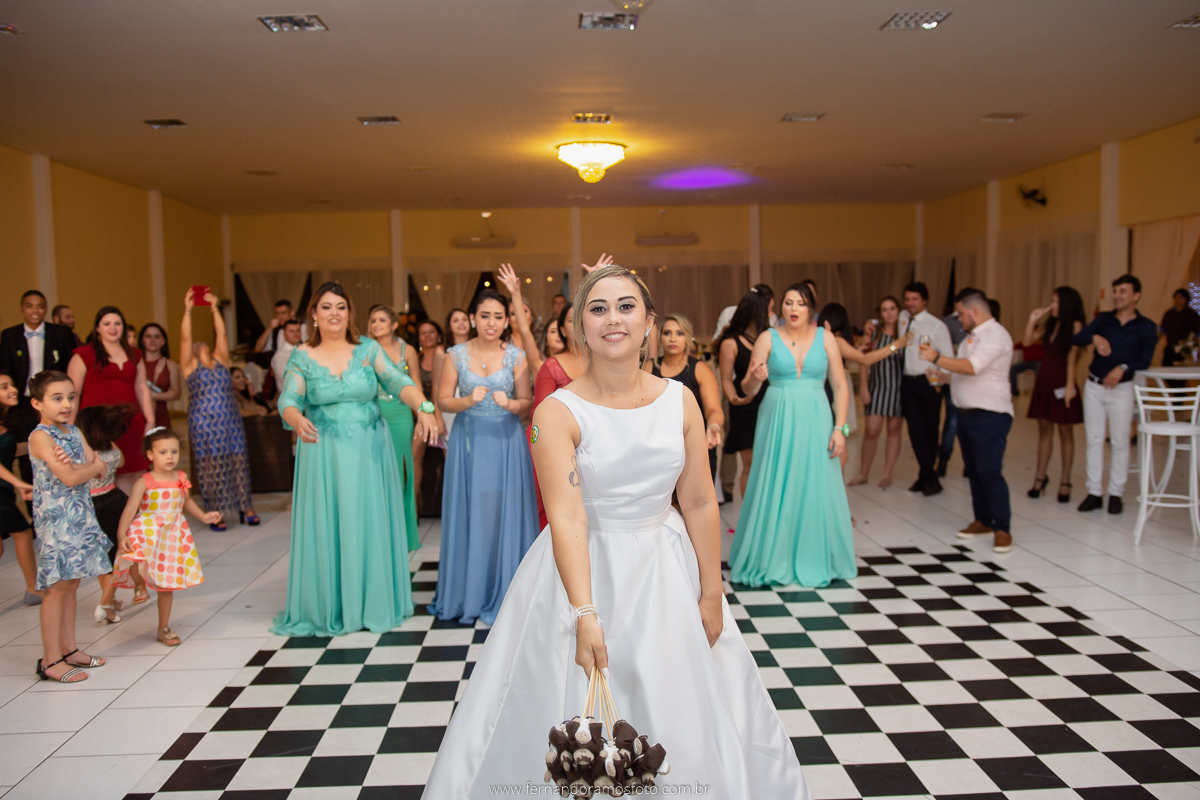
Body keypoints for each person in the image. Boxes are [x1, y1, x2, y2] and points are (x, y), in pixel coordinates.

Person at [423, 264, 812, 799]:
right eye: (598, 308)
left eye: (627, 306)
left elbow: (698, 500)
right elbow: (567, 516)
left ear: (649, 322)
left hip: (664, 565)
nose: (613, 319)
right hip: (584, 565)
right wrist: (584, 613)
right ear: (580, 325)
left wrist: (712, 589)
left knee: (680, 696)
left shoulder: (681, 401)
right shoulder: (557, 411)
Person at [274, 281, 437, 636]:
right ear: (314, 315)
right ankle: (330, 605)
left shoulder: (367, 349)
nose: (334, 313)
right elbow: (288, 397)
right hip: (324, 453)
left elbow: (398, 381)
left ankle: (373, 600)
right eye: (327, 307)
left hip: (368, 452)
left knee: (366, 521)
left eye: (341, 307)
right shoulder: (302, 355)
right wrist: (295, 417)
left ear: (349, 313)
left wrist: (423, 406)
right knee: (330, 523)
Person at [732, 283, 855, 588]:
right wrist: (754, 379)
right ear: (780, 308)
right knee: (774, 480)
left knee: (815, 482)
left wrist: (840, 429)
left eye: (800, 303)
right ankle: (771, 556)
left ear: (810, 307)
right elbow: (747, 388)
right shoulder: (767, 338)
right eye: (788, 303)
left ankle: (816, 555)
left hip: (817, 415)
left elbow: (840, 386)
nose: (793, 309)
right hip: (777, 416)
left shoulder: (826, 339)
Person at [431, 288, 538, 625]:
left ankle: (509, 591)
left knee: (505, 512)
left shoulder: (516, 356)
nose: (491, 323)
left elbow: (528, 401)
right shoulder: (456, 355)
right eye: (485, 316)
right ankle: (470, 592)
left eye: (498, 317)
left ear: (506, 321)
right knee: (473, 512)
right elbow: (443, 399)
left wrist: (513, 405)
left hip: (506, 441)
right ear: (473, 318)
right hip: (470, 440)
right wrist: (466, 402)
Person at [27, 371, 111, 683]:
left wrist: (85, 467)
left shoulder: (73, 432)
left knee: (72, 582)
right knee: (56, 587)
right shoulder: (41, 437)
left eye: (71, 397)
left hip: (78, 516)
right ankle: (51, 660)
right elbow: (73, 476)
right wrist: (86, 467)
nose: (66, 404)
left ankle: (69, 648)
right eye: (57, 398)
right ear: (37, 402)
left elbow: (100, 469)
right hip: (56, 520)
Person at [920, 289, 1016, 553]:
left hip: (990, 414)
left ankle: (1002, 527)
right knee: (974, 471)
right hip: (967, 413)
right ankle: (983, 519)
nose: (959, 320)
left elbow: (973, 367)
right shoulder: (970, 339)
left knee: (989, 471)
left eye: (961, 314)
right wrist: (944, 378)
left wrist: (937, 358)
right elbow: (963, 372)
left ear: (974, 311)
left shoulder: (995, 335)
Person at [116, 427, 220, 646]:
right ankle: (139, 584)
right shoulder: (145, 481)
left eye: (174, 451)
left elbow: (186, 501)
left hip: (171, 535)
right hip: (146, 527)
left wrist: (203, 516)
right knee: (133, 554)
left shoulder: (181, 477)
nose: (170, 456)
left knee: (166, 585)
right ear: (150, 455)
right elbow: (130, 508)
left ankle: (163, 628)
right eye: (163, 452)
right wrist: (121, 533)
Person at [1074, 274, 1159, 514]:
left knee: (1120, 441)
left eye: (1122, 291)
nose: (1117, 295)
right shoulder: (1103, 320)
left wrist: (1122, 368)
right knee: (1094, 440)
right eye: (1115, 291)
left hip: (1122, 389)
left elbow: (1145, 359)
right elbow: (1078, 338)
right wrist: (1095, 336)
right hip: (1094, 386)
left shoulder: (1146, 327)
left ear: (1136, 296)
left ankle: (1116, 494)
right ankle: (1094, 492)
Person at [179, 289, 259, 529]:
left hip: (230, 420)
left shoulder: (221, 361)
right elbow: (185, 338)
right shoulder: (189, 366)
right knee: (210, 466)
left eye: (203, 342)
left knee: (238, 461)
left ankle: (247, 507)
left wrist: (214, 308)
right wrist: (188, 310)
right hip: (203, 422)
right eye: (196, 343)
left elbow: (221, 333)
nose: (199, 342)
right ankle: (215, 511)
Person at [67, 306, 155, 493]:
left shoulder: (134, 354)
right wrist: (70, 425)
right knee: (101, 473)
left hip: (131, 422)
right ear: (97, 328)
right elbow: (73, 392)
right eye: (107, 324)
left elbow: (142, 388)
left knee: (134, 471)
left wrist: (150, 419)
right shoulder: (84, 354)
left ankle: (129, 518)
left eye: (117, 323)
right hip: (97, 425)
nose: (113, 327)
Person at [0, 290, 77, 483]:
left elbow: (70, 367)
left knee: (60, 447)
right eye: (29, 305)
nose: (35, 310)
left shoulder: (60, 333)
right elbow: (6, 370)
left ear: (45, 309)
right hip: (24, 404)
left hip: (55, 402)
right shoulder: (9, 335)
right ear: (21, 308)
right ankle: (31, 497)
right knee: (27, 453)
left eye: (40, 306)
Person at [78, 404, 143, 624]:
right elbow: (122, 461)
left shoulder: (84, 454)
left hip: (92, 505)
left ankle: (110, 600)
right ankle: (106, 604)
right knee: (117, 554)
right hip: (114, 501)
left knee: (102, 557)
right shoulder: (111, 449)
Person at [1024, 287, 1087, 503]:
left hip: (1062, 380)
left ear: (1068, 304)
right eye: (1052, 301)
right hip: (1045, 379)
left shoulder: (1076, 325)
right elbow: (1027, 342)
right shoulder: (1050, 323)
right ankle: (1040, 477)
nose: (1053, 306)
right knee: (1044, 430)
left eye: (1057, 302)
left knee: (1066, 432)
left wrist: (1070, 385)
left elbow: (1073, 357)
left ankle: (1065, 479)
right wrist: (1032, 320)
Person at [368, 304, 423, 552]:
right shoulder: (365, 351)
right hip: (374, 415)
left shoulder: (407, 350)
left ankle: (403, 534)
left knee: (403, 473)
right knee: (376, 472)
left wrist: (423, 414)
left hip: (401, 414)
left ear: (393, 325)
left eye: (381, 320)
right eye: (372, 321)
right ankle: (379, 532)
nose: (375, 324)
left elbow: (416, 385)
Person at [531, 303, 588, 528]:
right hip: (560, 446)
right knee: (561, 509)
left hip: (599, 443)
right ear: (562, 330)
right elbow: (540, 414)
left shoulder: (603, 362)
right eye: (571, 320)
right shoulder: (551, 366)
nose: (578, 325)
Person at [649, 314, 724, 478]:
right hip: (659, 449)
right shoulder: (649, 368)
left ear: (688, 338)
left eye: (680, 333)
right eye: (667, 333)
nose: (673, 338)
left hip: (695, 445)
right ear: (660, 337)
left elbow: (714, 410)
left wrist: (713, 427)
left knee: (696, 502)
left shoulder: (700, 370)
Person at [898, 282, 954, 496]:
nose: (910, 303)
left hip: (928, 381)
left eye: (914, 299)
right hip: (907, 381)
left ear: (924, 301)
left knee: (930, 429)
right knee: (914, 430)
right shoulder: (903, 317)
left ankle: (926, 476)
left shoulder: (937, 326)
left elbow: (947, 356)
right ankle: (928, 475)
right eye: (907, 299)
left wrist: (939, 382)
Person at [717, 289, 772, 500]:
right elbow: (726, 379)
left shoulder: (770, 338)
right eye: (770, 309)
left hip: (769, 403)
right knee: (750, 463)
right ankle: (750, 515)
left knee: (768, 462)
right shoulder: (730, 342)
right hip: (744, 406)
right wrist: (734, 399)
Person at [851, 297, 910, 487]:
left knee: (893, 430)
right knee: (871, 431)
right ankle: (863, 473)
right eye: (885, 309)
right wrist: (864, 388)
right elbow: (863, 360)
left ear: (899, 310)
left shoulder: (904, 334)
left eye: (892, 308)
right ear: (881, 314)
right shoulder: (874, 333)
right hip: (877, 387)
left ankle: (886, 474)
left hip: (898, 388)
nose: (889, 313)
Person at [0, 372, 39, 605]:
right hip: (1, 493)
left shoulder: (4, 419)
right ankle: (33, 590)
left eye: (12, 385)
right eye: (4, 387)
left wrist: (43, 441)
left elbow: (8, 450)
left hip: (3, 491)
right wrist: (18, 482)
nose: (12, 389)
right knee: (23, 533)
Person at [415, 319, 448, 517]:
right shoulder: (414, 359)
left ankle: (439, 506)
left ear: (438, 334)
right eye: (423, 333)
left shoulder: (444, 356)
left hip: (441, 412)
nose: (427, 336)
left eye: (431, 332)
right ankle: (416, 508)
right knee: (415, 457)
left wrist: (438, 416)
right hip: (418, 413)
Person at [936, 308, 967, 477]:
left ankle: (969, 463)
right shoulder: (946, 323)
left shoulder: (982, 329)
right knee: (952, 421)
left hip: (971, 382)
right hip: (952, 378)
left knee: (969, 424)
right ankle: (943, 460)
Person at [138, 323, 181, 430]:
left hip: (161, 417)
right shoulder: (134, 363)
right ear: (142, 340)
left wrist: (151, 395)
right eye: (148, 336)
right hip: (138, 417)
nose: (153, 340)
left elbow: (176, 394)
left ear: (163, 341)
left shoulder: (171, 365)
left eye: (157, 336)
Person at [1160, 288, 1200, 367]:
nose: (1177, 300)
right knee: (1167, 367)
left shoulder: (1191, 314)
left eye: (1180, 297)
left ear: (1185, 299)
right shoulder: (1169, 313)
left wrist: (1197, 351)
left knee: (1180, 370)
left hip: (1185, 348)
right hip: (1170, 347)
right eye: (1176, 297)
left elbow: (1197, 334)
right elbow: (1162, 330)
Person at [270, 318, 304, 392]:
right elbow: (286, 380)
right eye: (291, 331)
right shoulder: (280, 356)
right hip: (291, 398)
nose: (295, 334)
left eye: (298, 330)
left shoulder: (306, 350)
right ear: (284, 334)